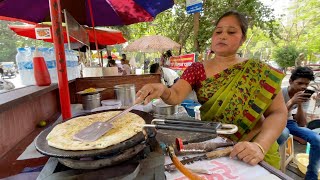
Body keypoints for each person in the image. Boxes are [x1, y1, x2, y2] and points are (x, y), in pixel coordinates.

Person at [136, 10, 287, 168]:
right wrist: (162, 89)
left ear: (243, 39)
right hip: (216, 146)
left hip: (255, 149)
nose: (223, 36)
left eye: (231, 32)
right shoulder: (196, 69)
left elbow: (278, 112)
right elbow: (175, 95)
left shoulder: (258, 70)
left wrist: (260, 146)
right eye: (218, 31)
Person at [281, 67, 320, 179]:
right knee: (283, 134)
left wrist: (299, 105)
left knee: (317, 139)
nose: (303, 87)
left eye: (306, 84)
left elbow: (302, 123)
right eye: (300, 83)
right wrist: (292, 101)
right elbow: (275, 115)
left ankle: (311, 177)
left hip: (289, 122)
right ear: (290, 82)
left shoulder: (303, 97)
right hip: (276, 122)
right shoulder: (280, 92)